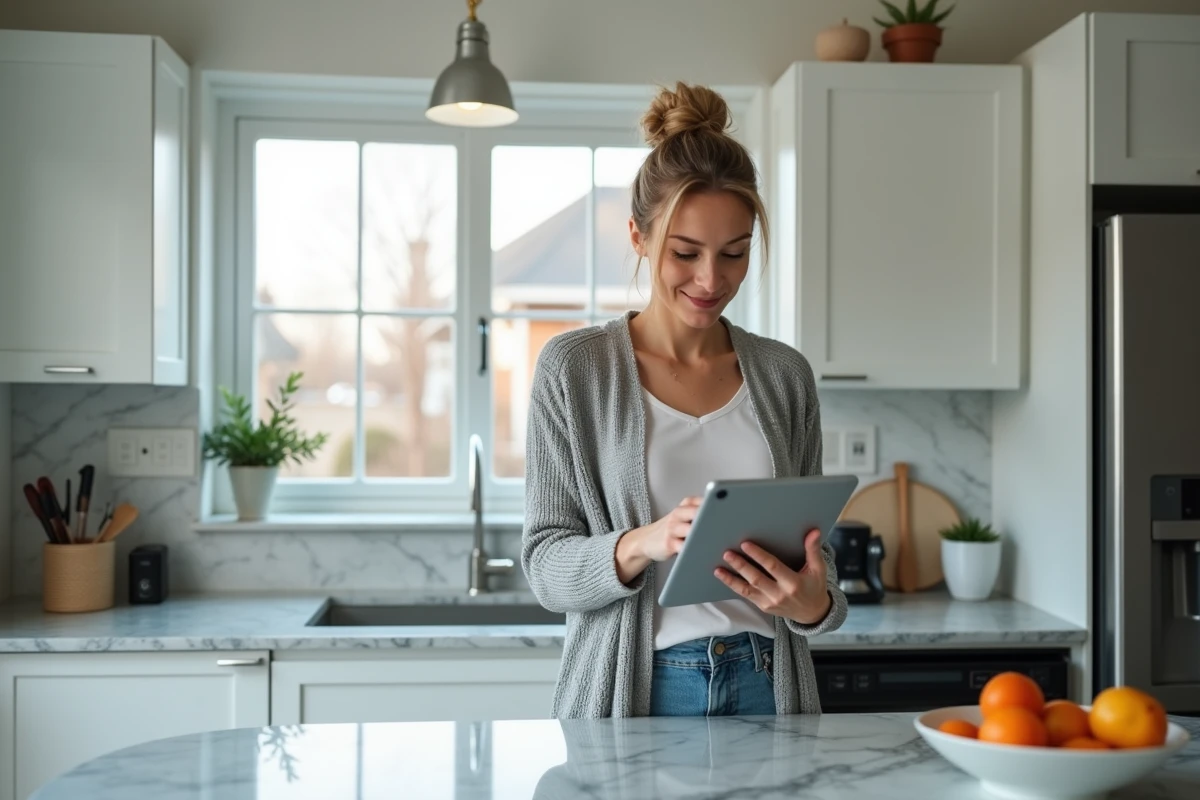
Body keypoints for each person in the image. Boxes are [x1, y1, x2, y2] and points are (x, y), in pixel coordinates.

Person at [521, 82, 847, 720]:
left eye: (735, 253)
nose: (710, 280)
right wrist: (643, 542)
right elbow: (546, 566)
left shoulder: (785, 376)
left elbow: (817, 562)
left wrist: (812, 605)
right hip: (635, 691)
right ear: (640, 237)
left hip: (767, 683)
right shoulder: (575, 369)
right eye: (685, 253)